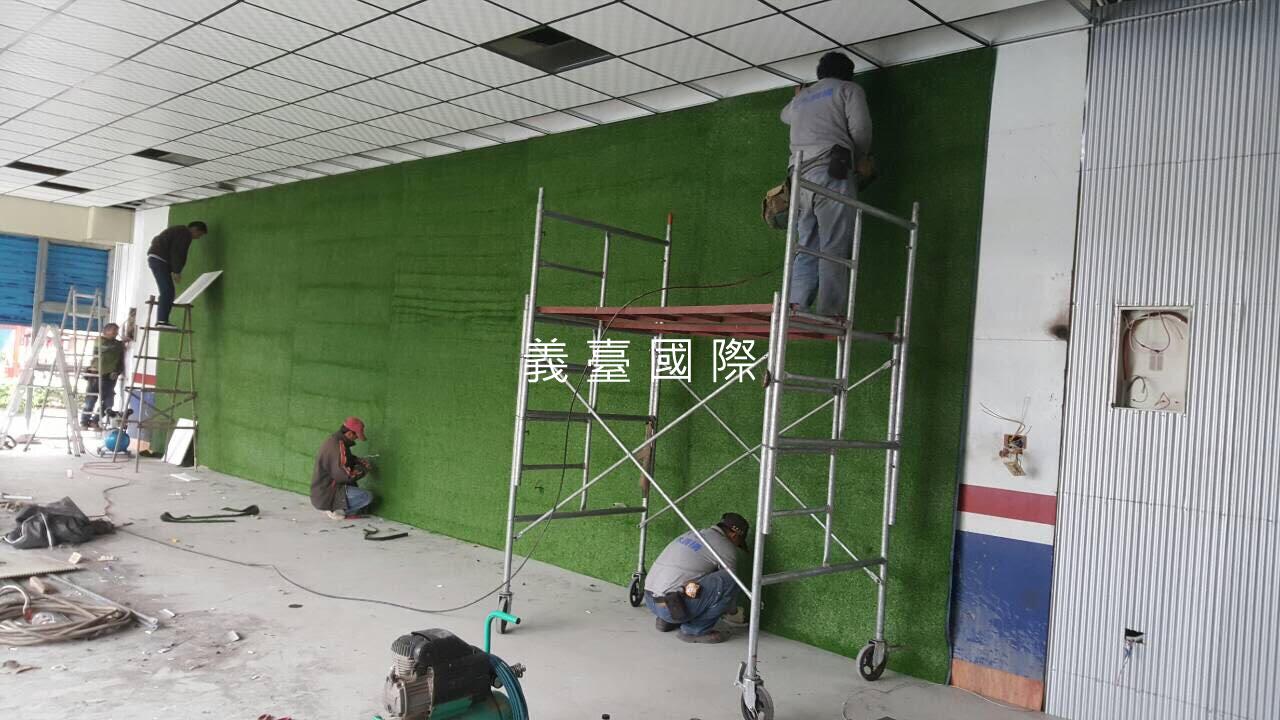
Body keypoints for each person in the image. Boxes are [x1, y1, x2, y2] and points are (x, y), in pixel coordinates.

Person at [780, 52, 872, 317]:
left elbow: (784, 116)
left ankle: (796, 306)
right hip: (832, 172)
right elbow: (861, 129)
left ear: (819, 73)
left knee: (806, 244)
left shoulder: (801, 99)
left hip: (799, 178)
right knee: (834, 245)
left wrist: (800, 95)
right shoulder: (848, 90)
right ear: (848, 73)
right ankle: (830, 314)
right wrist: (860, 158)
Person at [643, 512, 749, 643]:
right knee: (730, 579)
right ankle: (694, 630)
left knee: (688, 578)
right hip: (670, 607)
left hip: (650, 600)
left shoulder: (692, 533)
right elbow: (731, 583)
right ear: (734, 535)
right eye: (738, 543)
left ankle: (665, 621)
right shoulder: (725, 546)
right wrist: (733, 613)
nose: (736, 546)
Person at [310, 417, 375, 520]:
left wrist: (358, 461)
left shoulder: (334, 441)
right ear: (349, 433)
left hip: (321, 492)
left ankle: (334, 507)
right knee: (366, 497)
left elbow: (345, 460)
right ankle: (335, 509)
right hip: (327, 495)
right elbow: (346, 476)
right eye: (356, 436)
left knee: (356, 490)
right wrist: (364, 469)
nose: (356, 439)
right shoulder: (338, 447)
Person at [147, 221, 207, 329]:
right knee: (167, 291)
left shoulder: (177, 230)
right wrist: (176, 271)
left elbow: (156, 240)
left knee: (167, 290)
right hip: (160, 260)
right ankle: (162, 321)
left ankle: (162, 320)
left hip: (156, 259)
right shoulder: (185, 233)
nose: (198, 237)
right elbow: (178, 252)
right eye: (200, 234)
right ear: (195, 229)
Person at [80, 322, 124, 430]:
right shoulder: (99, 340)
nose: (116, 333)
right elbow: (106, 348)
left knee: (109, 403)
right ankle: (84, 422)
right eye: (114, 331)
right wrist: (121, 344)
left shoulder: (117, 344)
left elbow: (120, 361)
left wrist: (117, 372)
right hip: (95, 376)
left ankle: (95, 421)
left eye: (116, 331)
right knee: (90, 401)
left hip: (109, 377)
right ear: (106, 331)